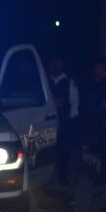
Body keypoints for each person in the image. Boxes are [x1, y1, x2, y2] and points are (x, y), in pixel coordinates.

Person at [46, 55, 79, 186]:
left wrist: (70, 120)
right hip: (48, 120)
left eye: (60, 63)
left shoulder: (69, 81)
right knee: (49, 148)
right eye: (55, 63)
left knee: (64, 149)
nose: (57, 66)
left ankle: (63, 176)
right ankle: (47, 176)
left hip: (64, 121)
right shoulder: (46, 81)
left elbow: (75, 102)